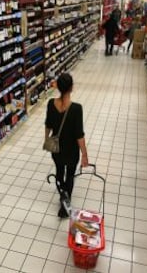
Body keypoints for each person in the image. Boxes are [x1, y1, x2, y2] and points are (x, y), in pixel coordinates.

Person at [45, 73, 88, 218]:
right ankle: (65, 203)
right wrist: (85, 155)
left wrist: (47, 140)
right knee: (70, 175)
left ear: (58, 86)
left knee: (59, 172)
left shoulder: (51, 103)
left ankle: (62, 194)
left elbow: (48, 125)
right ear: (71, 88)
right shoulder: (77, 108)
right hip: (71, 150)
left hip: (57, 148)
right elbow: (79, 135)